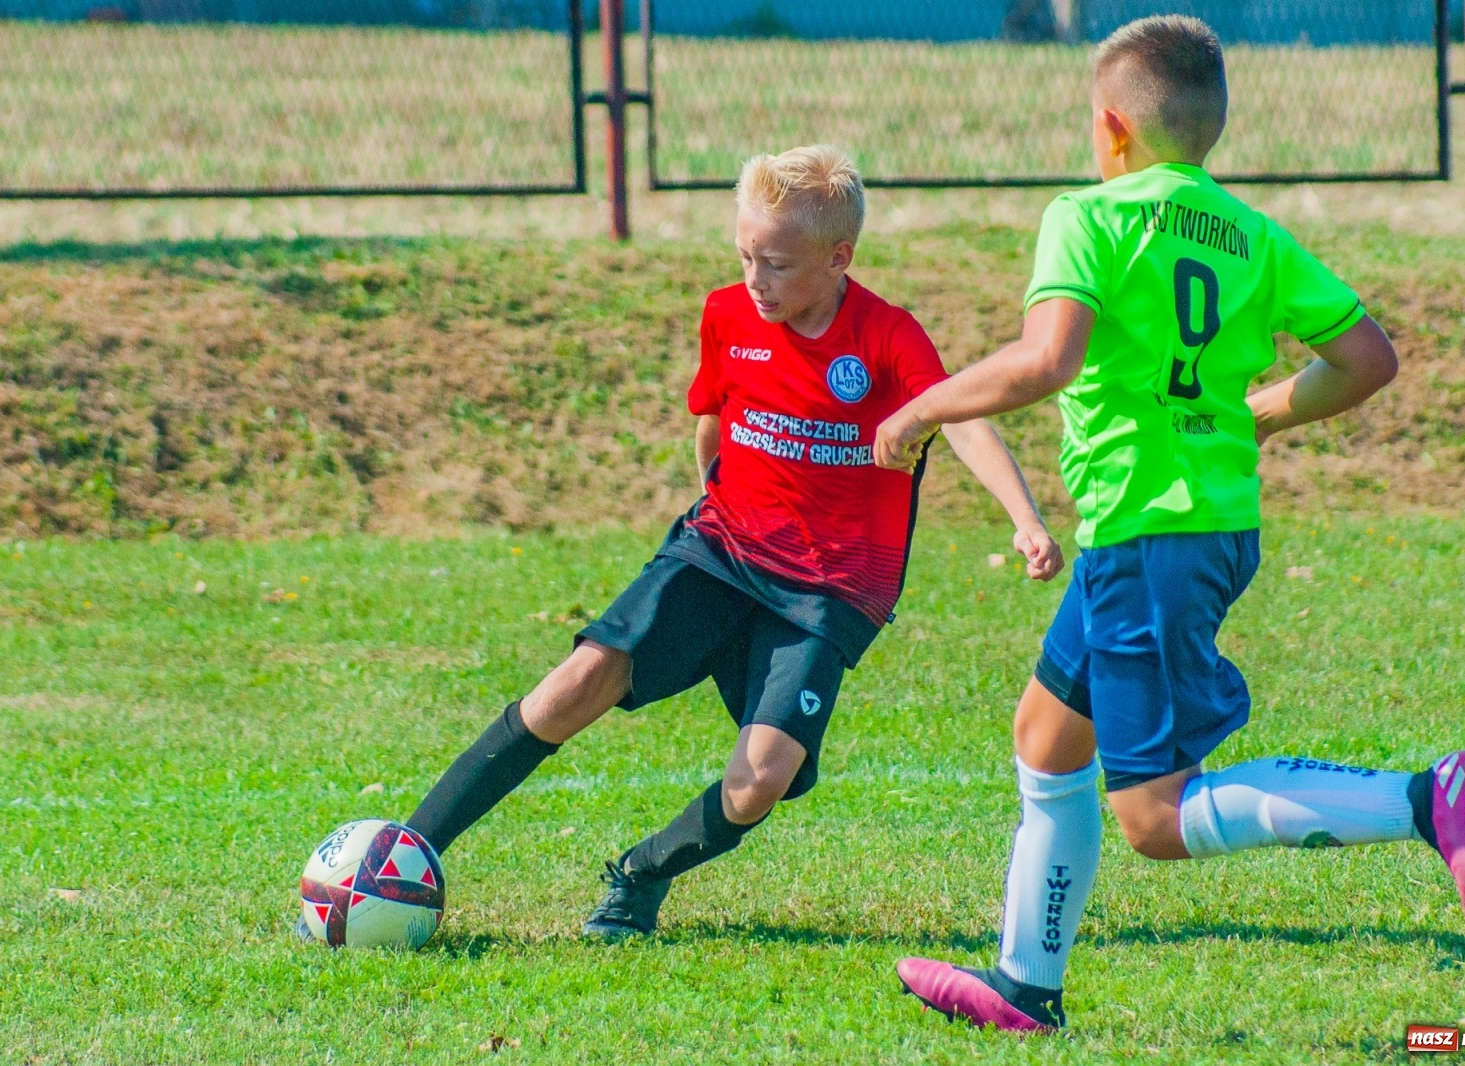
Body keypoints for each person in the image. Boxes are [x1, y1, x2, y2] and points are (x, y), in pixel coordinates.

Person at [875, 16, 1465, 1034]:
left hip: (1147, 535)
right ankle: (1022, 986)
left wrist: (921, 407)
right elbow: (1365, 360)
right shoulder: (1250, 233)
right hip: (1195, 528)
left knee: (1155, 817)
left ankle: (1422, 799)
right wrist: (1260, 410)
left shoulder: (1086, 217)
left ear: (1110, 127)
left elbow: (1047, 359)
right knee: (1045, 738)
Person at [398, 145, 1063, 940]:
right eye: (745, 254)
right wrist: (716, 507)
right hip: (722, 552)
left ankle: (641, 874)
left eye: (777, 263)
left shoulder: (887, 336)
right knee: (578, 680)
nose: (756, 278)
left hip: (831, 590)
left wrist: (1024, 519)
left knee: (760, 783)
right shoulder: (726, 314)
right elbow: (712, 423)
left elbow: (962, 419)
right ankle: (405, 853)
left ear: (838, 258)